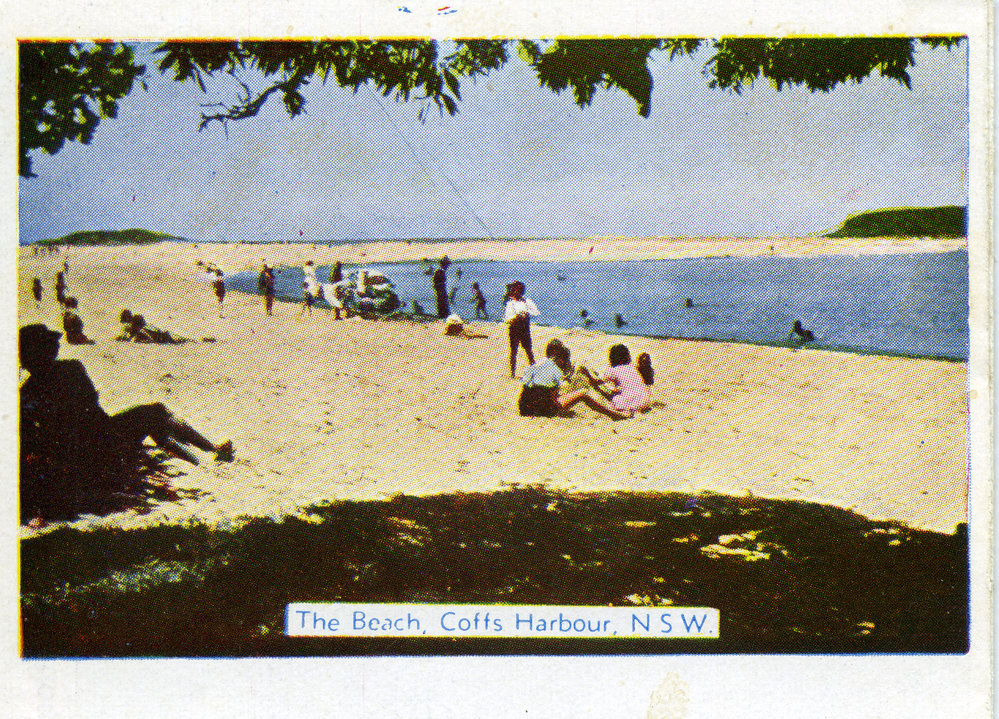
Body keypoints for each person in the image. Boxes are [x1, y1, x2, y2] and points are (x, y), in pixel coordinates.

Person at [19, 324, 232, 522]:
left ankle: (199, 459)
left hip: (73, 454)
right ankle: (206, 453)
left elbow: (30, 440)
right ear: (43, 350)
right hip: (102, 438)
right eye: (50, 343)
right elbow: (91, 402)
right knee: (155, 412)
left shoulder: (26, 393)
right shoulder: (70, 369)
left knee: (151, 419)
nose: (55, 346)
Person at [518, 339, 629, 419]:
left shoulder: (539, 364)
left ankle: (614, 414)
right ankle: (615, 415)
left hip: (523, 407)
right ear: (561, 360)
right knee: (583, 394)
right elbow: (552, 398)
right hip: (538, 409)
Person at [583, 344, 651, 415]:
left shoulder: (613, 370)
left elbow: (597, 382)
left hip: (628, 403)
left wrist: (587, 374)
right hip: (643, 400)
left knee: (615, 399)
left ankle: (626, 410)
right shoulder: (632, 367)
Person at [504, 281, 538, 378]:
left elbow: (531, 313)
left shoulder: (525, 302)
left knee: (528, 350)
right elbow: (507, 318)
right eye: (515, 289)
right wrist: (516, 317)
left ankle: (534, 371)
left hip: (523, 328)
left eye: (518, 290)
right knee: (513, 351)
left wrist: (523, 315)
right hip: (514, 328)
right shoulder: (510, 302)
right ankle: (512, 373)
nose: (516, 291)